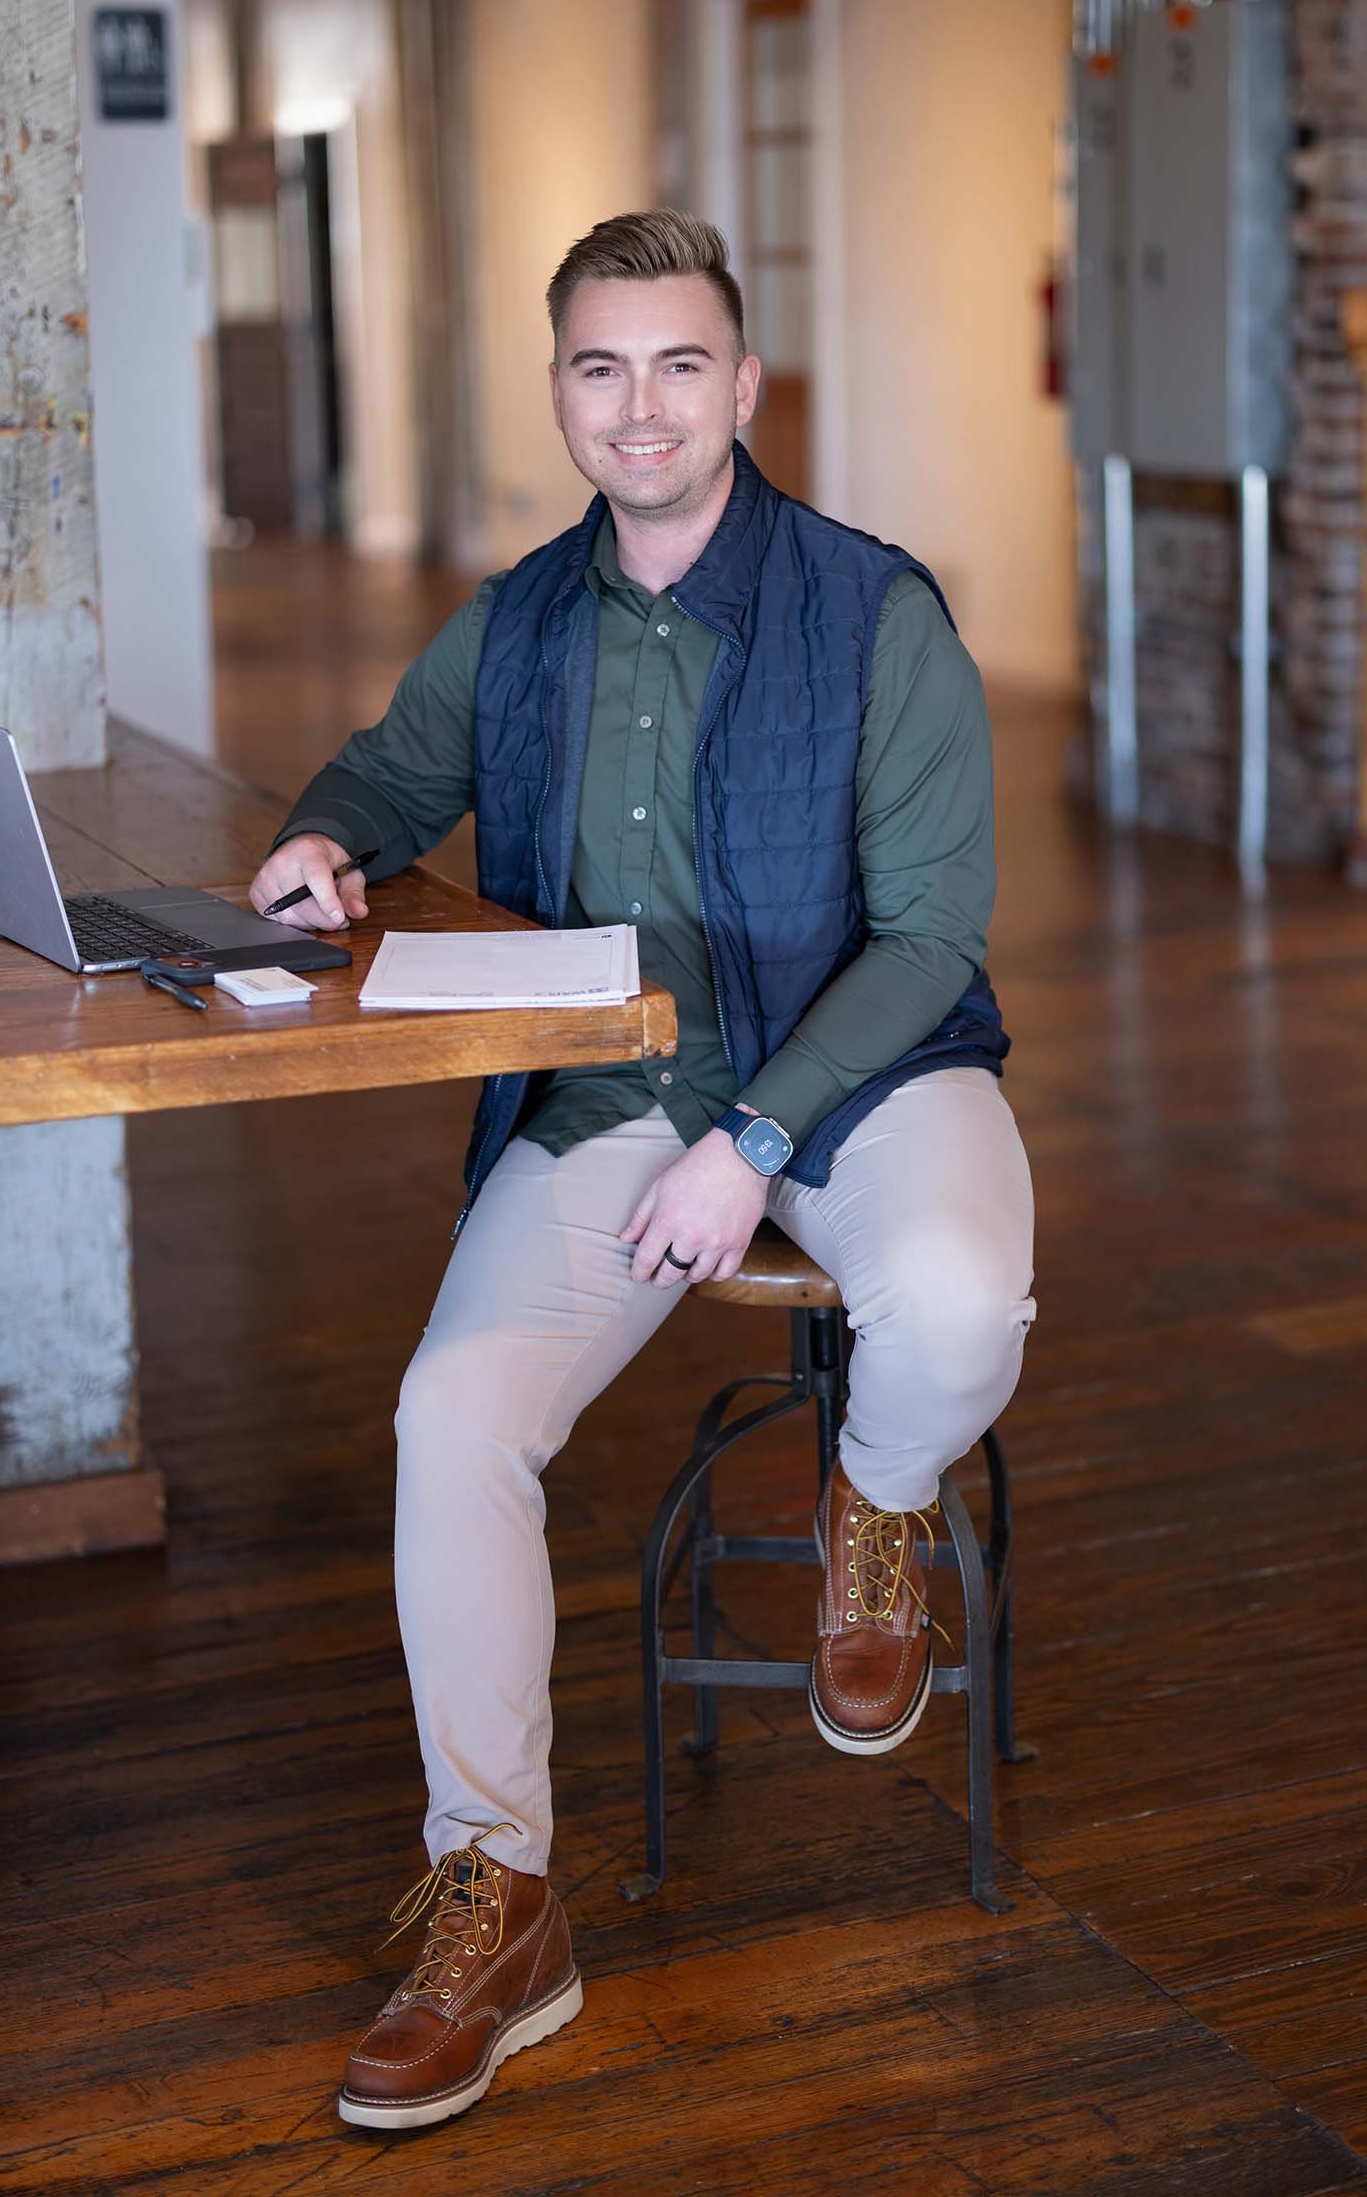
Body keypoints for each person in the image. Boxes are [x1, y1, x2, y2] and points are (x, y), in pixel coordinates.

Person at [250, 210, 1037, 2133]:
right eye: (602, 368)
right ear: (560, 396)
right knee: (452, 1416)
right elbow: (393, 766)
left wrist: (757, 1139)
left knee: (954, 1302)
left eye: (681, 364)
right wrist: (323, 839)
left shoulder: (878, 612)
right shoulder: (520, 617)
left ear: (744, 387)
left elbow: (931, 936)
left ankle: (876, 1502)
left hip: (862, 1066)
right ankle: (501, 1896)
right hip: (617, 1099)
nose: (643, 406)